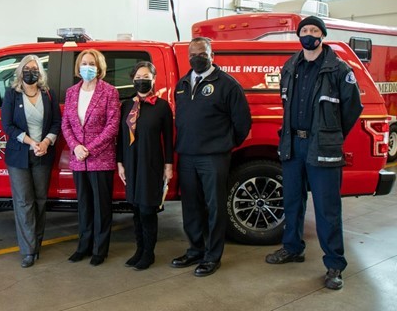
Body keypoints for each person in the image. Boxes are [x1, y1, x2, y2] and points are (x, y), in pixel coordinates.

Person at [265, 15, 362, 290]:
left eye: (314, 30)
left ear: (323, 35)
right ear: (299, 35)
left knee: (327, 208)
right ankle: (292, 248)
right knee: (292, 202)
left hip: (322, 147)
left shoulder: (338, 69)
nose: (308, 33)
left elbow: (352, 107)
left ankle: (334, 264)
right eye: (304, 30)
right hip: (293, 145)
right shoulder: (290, 66)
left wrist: (331, 134)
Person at [171, 37, 251, 277]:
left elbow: (242, 122)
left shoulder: (227, 84)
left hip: (213, 157)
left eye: (202, 53)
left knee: (215, 207)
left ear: (212, 55)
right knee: (191, 206)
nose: (197, 57)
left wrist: (224, 145)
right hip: (186, 155)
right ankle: (195, 249)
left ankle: (212, 256)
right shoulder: (183, 84)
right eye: (193, 54)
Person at [1, 55, 61, 268]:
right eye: (26, 68)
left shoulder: (48, 94)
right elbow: (6, 125)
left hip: (43, 153)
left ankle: (37, 242)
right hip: (19, 155)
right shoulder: (12, 94)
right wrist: (31, 142)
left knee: (40, 201)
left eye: (34, 68)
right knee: (24, 202)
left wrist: (45, 142)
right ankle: (28, 250)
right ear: (20, 72)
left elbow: (56, 122)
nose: (30, 72)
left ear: (40, 72)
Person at [62, 49, 120, 266]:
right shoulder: (71, 92)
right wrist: (76, 147)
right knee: (84, 205)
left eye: (92, 64)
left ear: (99, 67)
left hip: (100, 158)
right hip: (78, 159)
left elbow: (112, 126)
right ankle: (83, 246)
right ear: (79, 67)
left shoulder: (109, 92)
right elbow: (65, 123)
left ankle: (99, 249)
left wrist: (89, 148)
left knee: (101, 206)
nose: (88, 67)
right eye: (84, 63)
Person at [117, 61, 173, 270]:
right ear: (132, 80)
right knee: (136, 209)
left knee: (148, 210)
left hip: (151, 164)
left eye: (146, 76)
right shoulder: (126, 106)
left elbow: (168, 139)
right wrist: (120, 162)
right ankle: (139, 249)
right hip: (131, 164)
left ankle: (149, 253)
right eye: (138, 77)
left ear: (153, 79)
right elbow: (122, 137)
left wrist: (169, 165)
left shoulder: (161, 106)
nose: (142, 80)